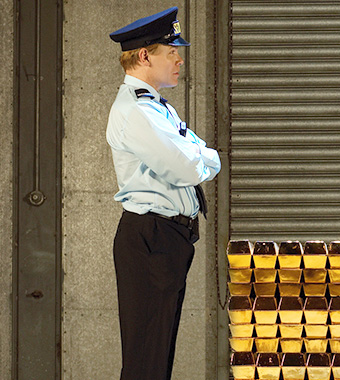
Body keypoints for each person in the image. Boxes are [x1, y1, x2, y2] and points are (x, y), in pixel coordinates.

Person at [106, 7, 221, 380]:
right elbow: (191, 166)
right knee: (147, 360)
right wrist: (202, 159)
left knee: (156, 353)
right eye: (171, 52)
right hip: (152, 238)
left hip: (164, 238)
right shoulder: (138, 111)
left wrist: (200, 158)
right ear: (144, 56)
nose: (179, 59)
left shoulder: (154, 105)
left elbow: (198, 157)